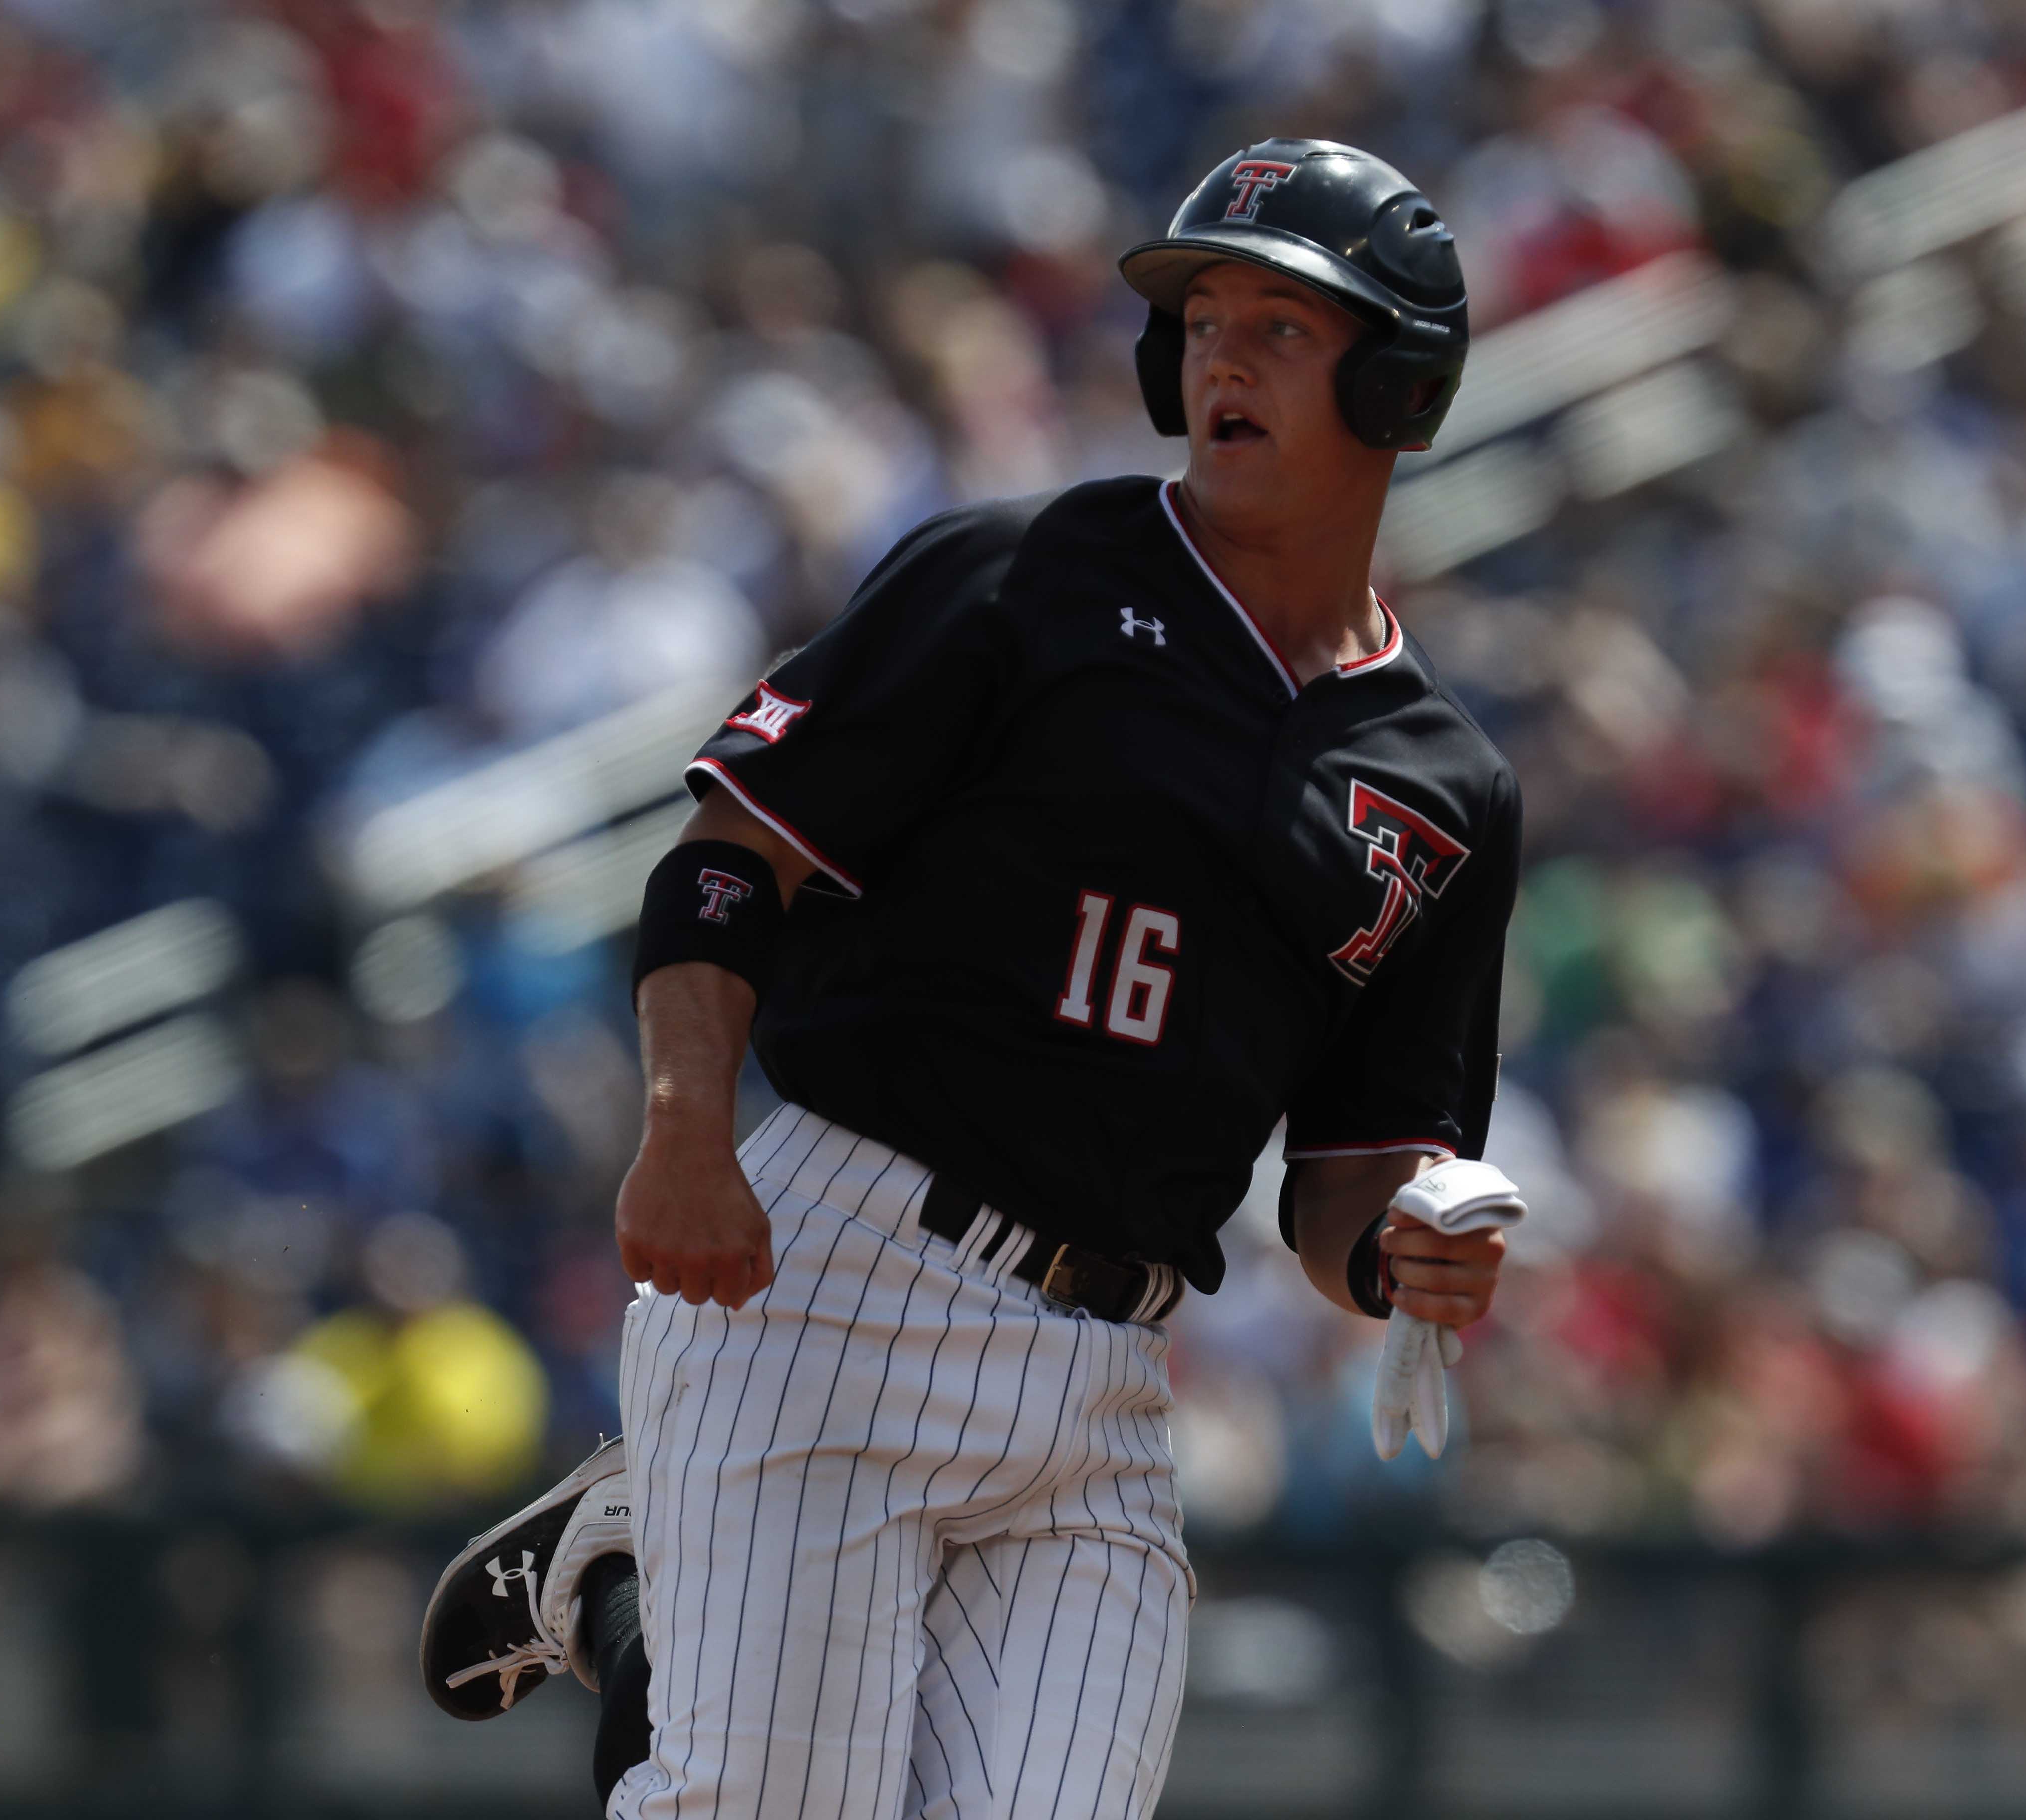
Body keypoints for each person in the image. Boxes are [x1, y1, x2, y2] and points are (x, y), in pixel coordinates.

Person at [417, 139, 1521, 1820]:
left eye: (1283, 329)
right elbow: (729, 862)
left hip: (1106, 1370)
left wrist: (1405, 1248)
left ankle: (648, 1578)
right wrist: (684, 1131)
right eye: (1201, 319)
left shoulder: (1445, 785)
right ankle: (648, 1606)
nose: (1219, 355)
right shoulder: (1028, 577)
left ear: (1401, 381)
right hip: (838, 1277)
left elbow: (1351, 1169)